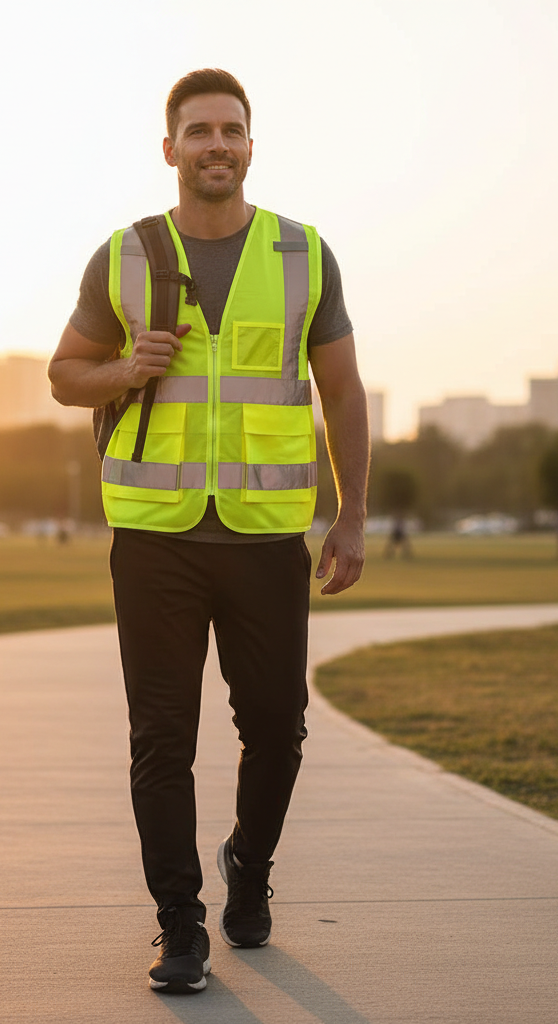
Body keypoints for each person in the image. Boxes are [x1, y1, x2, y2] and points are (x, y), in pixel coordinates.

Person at [48, 69, 369, 995]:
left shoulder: (305, 255)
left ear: (251, 146)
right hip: (156, 534)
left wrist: (348, 517)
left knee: (278, 728)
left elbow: (341, 390)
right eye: (199, 131)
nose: (216, 145)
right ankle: (180, 928)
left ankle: (249, 869)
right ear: (170, 149)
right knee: (162, 737)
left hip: (270, 534)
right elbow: (66, 375)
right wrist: (122, 371)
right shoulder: (126, 255)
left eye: (231, 130)